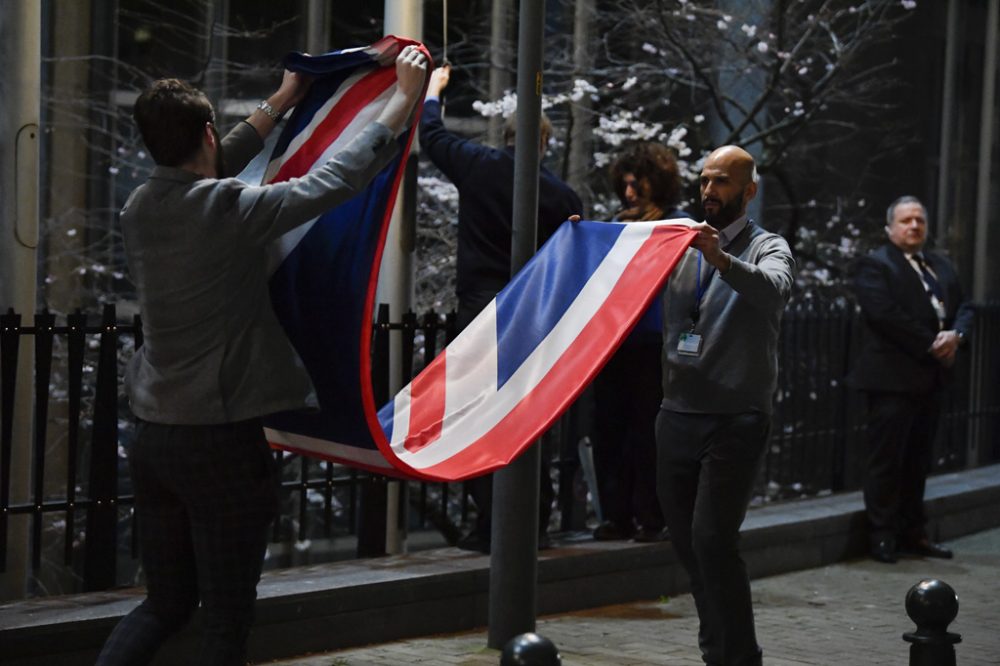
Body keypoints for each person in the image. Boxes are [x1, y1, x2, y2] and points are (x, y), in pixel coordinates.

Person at [95, 46, 428, 666]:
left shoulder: (140, 207)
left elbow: (206, 166)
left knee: (163, 605)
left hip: (152, 437)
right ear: (206, 132)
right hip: (218, 442)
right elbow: (333, 182)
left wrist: (281, 101)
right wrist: (401, 102)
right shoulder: (227, 209)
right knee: (225, 619)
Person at [419, 63, 582, 553]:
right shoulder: (562, 195)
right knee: (530, 416)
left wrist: (433, 91)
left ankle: (488, 520)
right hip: (532, 315)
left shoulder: (478, 164)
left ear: (506, 135)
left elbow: (431, 134)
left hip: (478, 312)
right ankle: (534, 521)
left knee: (478, 412)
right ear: (545, 144)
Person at [656, 145, 794, 666]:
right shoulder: (679, 240)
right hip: (676, 413)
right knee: (690, 548)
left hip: (736, 418)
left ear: (749, 191)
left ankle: (736, 656)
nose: (710, 191)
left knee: (713, 540)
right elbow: (619, 265)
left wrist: (722, 260)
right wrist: (587, 240)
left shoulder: (766, 246)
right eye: (706, 180)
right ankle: (723, 651)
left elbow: (776, 290)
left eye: (723, 183)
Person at [847, 196, 973, 564]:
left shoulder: (940, 265)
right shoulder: (875, 265)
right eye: (906, 220)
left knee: (919, 461)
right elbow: (884, 314)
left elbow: (964, 306)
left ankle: (913, 531)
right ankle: (882, 535)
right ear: (890, 228)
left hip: (932, 380)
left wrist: (957, 337)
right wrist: (932, 343)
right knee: (887, 461)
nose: (914, 226)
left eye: (919, 220)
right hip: (892, 379)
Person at [591, 142, 689, 542]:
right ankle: (617, 515)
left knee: (648, 433)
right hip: (613, 343)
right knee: (610, 430)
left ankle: (651, 515)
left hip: (653, 344)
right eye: (625, 185)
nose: (629, 193)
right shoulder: (616, 224)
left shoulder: (676, 225)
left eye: (638, 184)